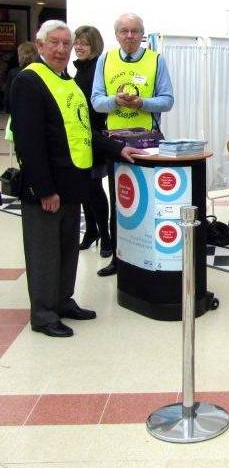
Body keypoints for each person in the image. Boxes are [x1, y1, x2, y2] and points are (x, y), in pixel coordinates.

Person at [9, 20, 144, 338]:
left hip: (72, 183)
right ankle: (43, 314)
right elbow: (29, 141)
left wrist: (118, 148)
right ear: (40, 46)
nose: (61, 49)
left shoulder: (67, 82)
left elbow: (84, 130)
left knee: (67, 247)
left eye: (66, 43)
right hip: (47, 187)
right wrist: (43, 188)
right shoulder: (29, 81)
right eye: (53, 43)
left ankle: (62, 300)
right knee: (44, 251)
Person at [92, 13, 174, 277]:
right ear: (116, 35)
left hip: (147, 142)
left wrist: (142, 103)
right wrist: (116, 100)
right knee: (121, 200)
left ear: (142, 34)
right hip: (115, 142)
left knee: (149, 199)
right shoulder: (105, 60)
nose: (130, 36)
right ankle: (119, 257)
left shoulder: (156, 60)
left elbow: (168, 100)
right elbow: (96, 100)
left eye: (135, 31)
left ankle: (149, 255)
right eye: (124, 31)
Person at [73, 25, 111, 258]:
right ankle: (91, 231)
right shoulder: (79, 70)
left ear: (94, 46)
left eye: (84, 43)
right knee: (85, 186)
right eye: (77, 42)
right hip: (81, 137)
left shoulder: (96, 69)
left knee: (94, 187)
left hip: (94, 136)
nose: (78, 47)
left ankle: (104, 236)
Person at [4, 42, 38, 113]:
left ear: (20, 56)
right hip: (37, 111)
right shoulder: (41, 71)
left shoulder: (13, 73)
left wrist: (8, 109)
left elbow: (8, 95)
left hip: (18, 112)